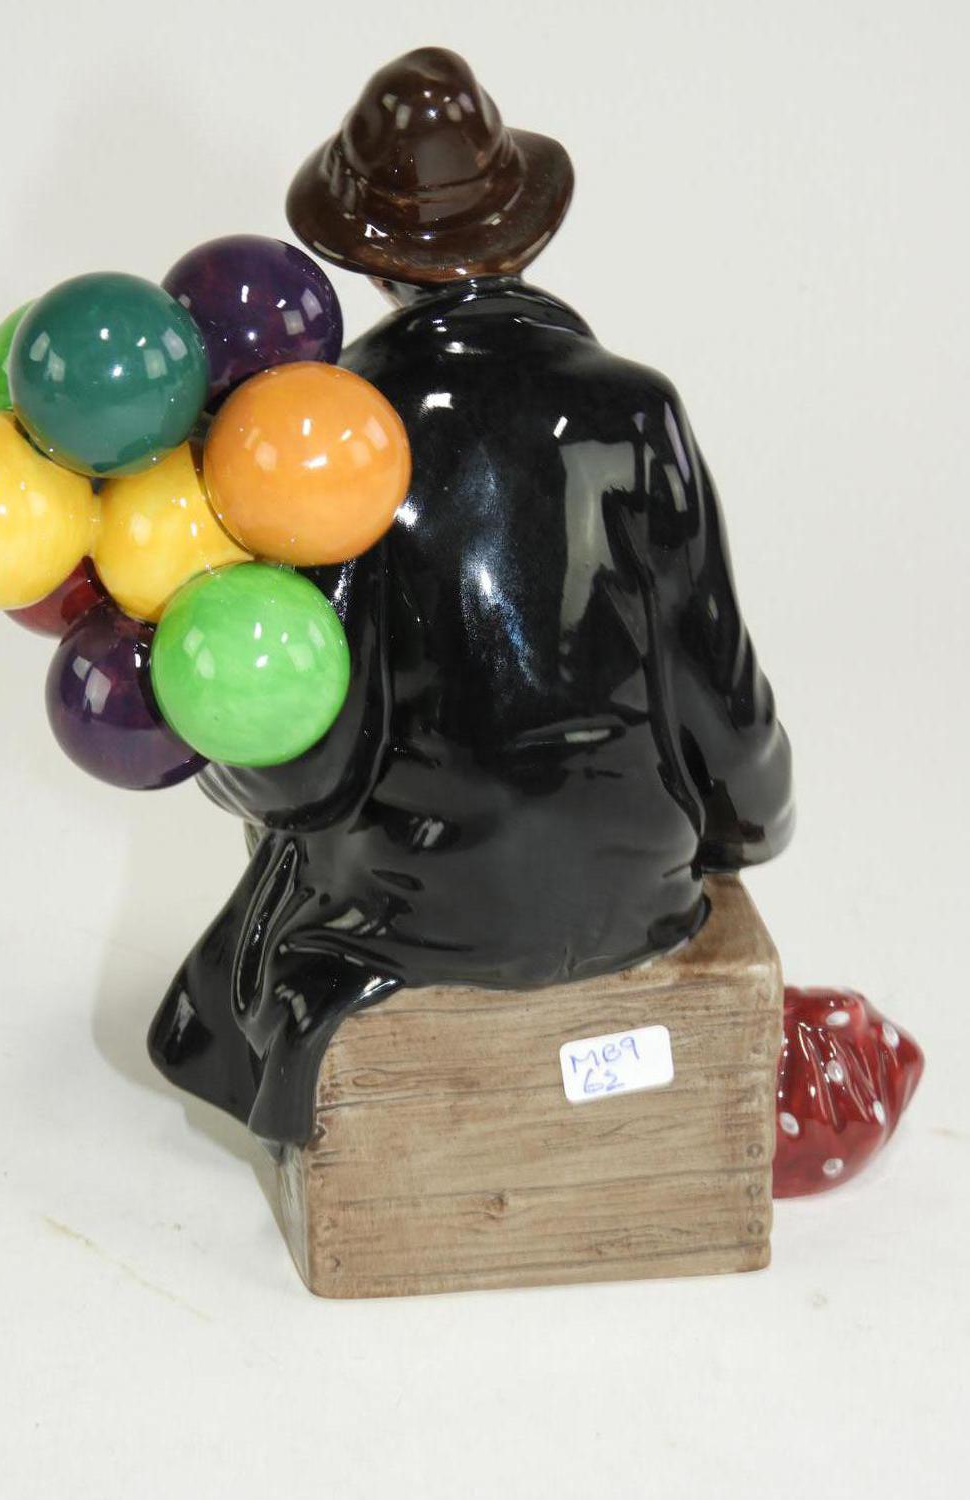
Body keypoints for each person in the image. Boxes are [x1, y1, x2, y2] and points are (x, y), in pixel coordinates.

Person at [148, 47, 794, 1145]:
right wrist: (751, 826)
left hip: (424, 910)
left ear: (368, 264)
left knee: (284, 883)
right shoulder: (637, 411)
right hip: (633, 891)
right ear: (523, 233)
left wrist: (208, 737)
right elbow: (715, 683)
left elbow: (308, 774)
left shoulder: (332, 443)